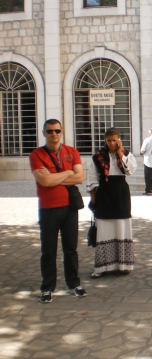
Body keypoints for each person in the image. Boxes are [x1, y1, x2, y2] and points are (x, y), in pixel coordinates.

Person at [29, 119, 86, 303]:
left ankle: (74, 283)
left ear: (62, 131)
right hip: (48, 209)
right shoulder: (36, 154)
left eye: (57, 130)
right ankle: (47, 287)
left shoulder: (72, 151)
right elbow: (44, 182)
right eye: (50, 131)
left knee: (71, 249)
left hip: (69, 208)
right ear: (44, 133)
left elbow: (80, 178)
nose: (54, 134)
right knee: (48, 250)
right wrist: (68, 173)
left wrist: (55, 177)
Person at [87, 128, 137, 278]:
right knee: (103, 229)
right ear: (105, 141)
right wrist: (93, 200)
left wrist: (121, 154)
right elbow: (92, 178)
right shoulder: (97, 157)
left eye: (115, 140)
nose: (112, 143)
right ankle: (102, 267)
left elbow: (129, 171)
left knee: (122, 226)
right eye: (109, 140)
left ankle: (124, 265)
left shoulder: (127, 154)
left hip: (121, 193)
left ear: (119, 140)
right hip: (104, 194)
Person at [140, 128, 152, 195]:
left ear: (149, 133)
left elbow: (142, 151)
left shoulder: (147, 140)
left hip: (148, 161)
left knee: (147, 177)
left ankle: (148, 190)